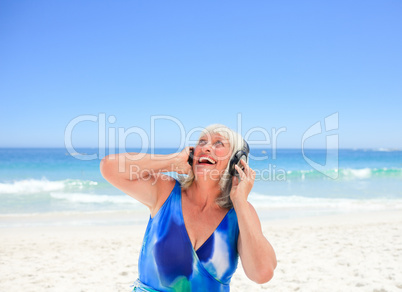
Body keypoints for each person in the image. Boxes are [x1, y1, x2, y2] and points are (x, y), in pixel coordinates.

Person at [100, 124, 277, 291]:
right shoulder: (166, 193)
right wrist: (173, 161)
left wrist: (240, 202)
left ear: (236, 162)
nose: (206, 147)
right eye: (202, 142)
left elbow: (261, 274)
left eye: (218, 143)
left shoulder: (241, 212)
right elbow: (109, 167)